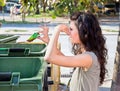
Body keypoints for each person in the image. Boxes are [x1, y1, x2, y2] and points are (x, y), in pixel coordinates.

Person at [38, 11, 108, 91]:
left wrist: (57, 29)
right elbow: (63, 58)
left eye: (71, 29)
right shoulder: (87, 54)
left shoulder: (88, 57)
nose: (68, 33)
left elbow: (49, 57)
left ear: (83, 31)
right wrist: (49, 41)